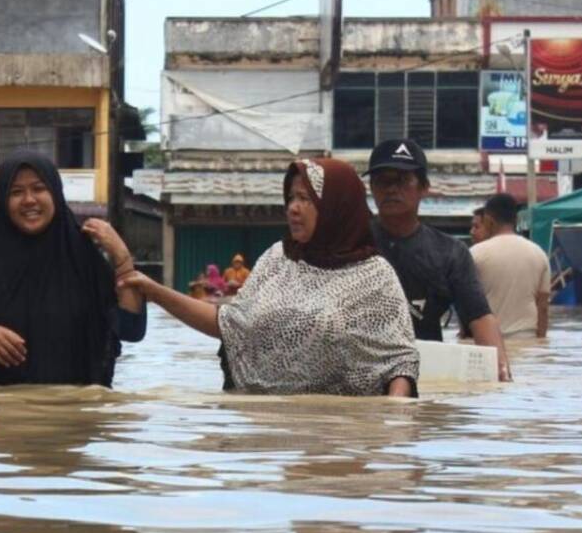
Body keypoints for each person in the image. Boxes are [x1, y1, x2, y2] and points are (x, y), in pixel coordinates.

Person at [119, 158, 418, 397]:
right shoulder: (277, 259)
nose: (293, 208)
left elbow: (399, 362)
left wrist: (389, 433)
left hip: (346, 433)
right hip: (269, 431)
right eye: (290, 198)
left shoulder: (376, 276)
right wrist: (153, 291)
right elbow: (229, 324)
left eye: (304, 198)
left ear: (335, 207)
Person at [0, 149, 145, 387]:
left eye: (38, 188)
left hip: (75, 412)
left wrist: (121, 255)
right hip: (1, 412)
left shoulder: (83, 258)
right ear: (2, 201)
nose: (29, 200)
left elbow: (131, 328)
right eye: (16, 192)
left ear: (55, 193)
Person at [365, 138, 512, 381]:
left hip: (426, 375)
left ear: (424, 187)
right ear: (371, 188)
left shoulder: (450, 253)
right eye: (382, 181)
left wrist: (501, 374)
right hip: (363, 372)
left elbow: (479, 316)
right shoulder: (351, 243)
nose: (391, 189)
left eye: (402, 180)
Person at [471, 193, 551, 338]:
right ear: (516, 219)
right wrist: (541, 344)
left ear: (488, 220)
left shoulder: (475, 254)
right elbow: (543, 307)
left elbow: (467, 303)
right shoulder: (539, 254)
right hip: (528, 340)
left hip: (489, 339)